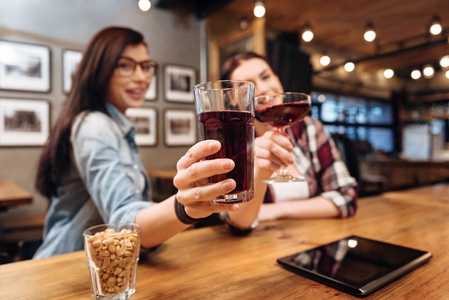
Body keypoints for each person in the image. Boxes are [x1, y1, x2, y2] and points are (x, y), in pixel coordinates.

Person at [33, 27, 259, 259]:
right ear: (99, 69)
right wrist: (186, 205)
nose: (141, 77)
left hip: (109, 264)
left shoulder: (115, 125)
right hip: (70, 267)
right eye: (125, 65)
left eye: (146, 66)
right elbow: (124, 224)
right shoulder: (95, 126)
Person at [220, 52, 358, 222]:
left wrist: (277, 211)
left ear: (277, 79)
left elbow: (347, 196)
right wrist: (260, 171)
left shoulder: (309, 129)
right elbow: (233, 221)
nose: (263, 89)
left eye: (266, 77)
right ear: (234, 99)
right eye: (249, 86)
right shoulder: (231, 147)